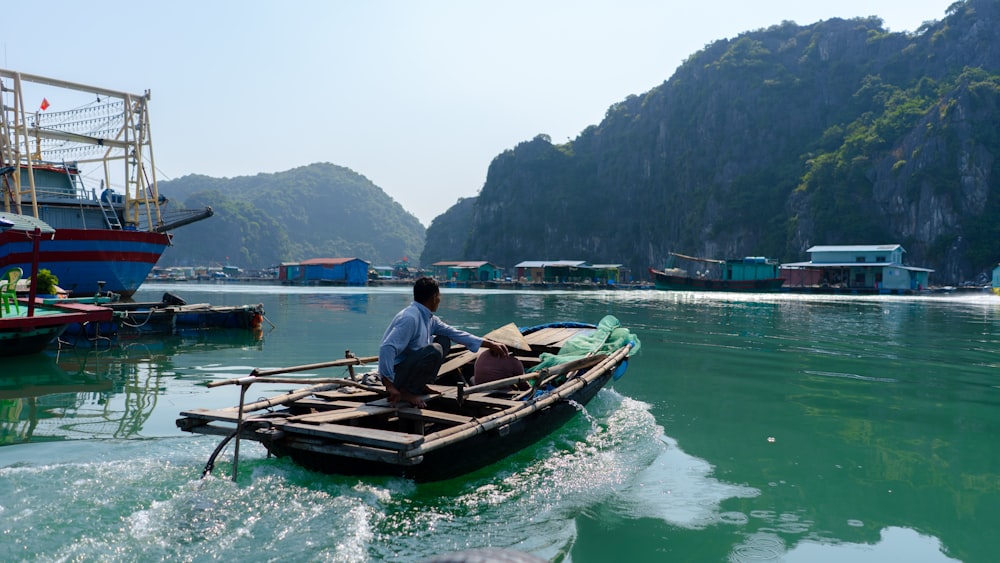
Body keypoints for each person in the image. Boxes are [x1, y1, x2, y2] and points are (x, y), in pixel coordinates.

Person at [378, 277, 508, 407]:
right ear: (434, 297)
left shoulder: (429, 318)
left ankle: (420, 385)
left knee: (444, 340)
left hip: (407, 369)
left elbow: (454, 333)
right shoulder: (410, 317)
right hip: (397, 376)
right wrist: (389, 384)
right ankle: (406, 391)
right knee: (435, 349)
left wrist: (489, 344)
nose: (440, 300)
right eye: (439, 296)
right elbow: (387, 348)